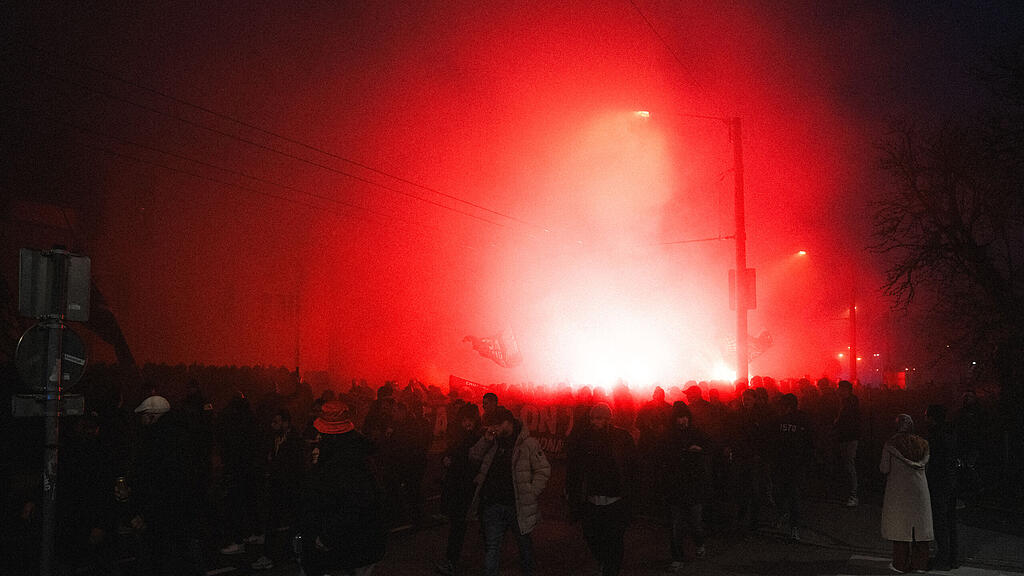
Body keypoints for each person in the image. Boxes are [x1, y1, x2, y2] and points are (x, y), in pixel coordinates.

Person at [298, 400, 385, 576]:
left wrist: (326, 537)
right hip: (355, 542)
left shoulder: (347, 461)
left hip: (354, 543)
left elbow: (355, 505)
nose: (319, 437)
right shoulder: (350, 452)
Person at [129, 395, 206, 575]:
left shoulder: (157, 441)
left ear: (152, 416)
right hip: (181, 511)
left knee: (162, 557)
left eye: (144, 416)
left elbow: (159, 482)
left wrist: (145, 513)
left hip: (163, 513)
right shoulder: (182, 435)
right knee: (183, 555)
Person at [470, 406, 551, 576]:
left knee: (524, 547)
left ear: (508, 423)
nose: (493, 429)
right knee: (493, 547)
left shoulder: (528, 444)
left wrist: (531, 492)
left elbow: (543, 470)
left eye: (496, 425)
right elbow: (473, 458)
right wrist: (485, 440)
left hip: (517, 505)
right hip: (492, 504)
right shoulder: (491, 442)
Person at [566, 403, 638, 576]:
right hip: (592, 499)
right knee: (592, 536)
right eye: (592, 418)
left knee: (614, 539)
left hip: (615, 500)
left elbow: (632, 466)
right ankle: (604, 563)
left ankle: (610, 570)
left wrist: (632, 494)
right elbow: (575, 467)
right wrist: (572, 492)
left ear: (607, 419)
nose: (594, 422)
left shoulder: (622, 437)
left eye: (598, 418)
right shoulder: (584, 438)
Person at [251, 409, 308, 571]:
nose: (273, 425)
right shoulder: (274, 439)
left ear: (286, 422)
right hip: (277, 487)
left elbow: (296, 466)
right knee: (273, 522)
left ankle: (291, 553)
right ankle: (272, 555)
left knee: (294, 522)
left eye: (276, 422)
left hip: (290, 488)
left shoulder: (295, 441)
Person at [660, 401, 712, 572]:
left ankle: (699, 543)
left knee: (695, 522)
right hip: (676, 486)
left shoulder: (697, 433)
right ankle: (677, 557)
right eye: (678, 418)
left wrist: (700, 451)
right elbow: (663, 459)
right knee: (676, 525)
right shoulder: (668, 436)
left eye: (684, 417)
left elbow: (711, 448)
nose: (681, 421)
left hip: (694, 486)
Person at [880, 414, 933, 574]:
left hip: (898, 489)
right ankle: (920, 564)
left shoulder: (890, 444)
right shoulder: (923, 444)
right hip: (919, 488)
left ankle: (900, 563)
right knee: (920, 526)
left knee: (901, 527)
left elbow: (884, 468)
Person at [435, 403, 482, 576]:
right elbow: (450, 452)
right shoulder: (462, 435)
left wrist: (452, 462)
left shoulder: (477, 437)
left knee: (460, 526)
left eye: (469, 420)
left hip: (466, 487)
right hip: (459, 487)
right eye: (464, 420)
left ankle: (452, 562)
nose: (466, 423)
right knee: (459, 525)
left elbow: (472, 462)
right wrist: (446, 459)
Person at [771, 393, 814, 540]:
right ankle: (785, 515)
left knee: (792, 494)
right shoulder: (779, 420)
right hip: (784, 463)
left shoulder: (802, 419)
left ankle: (794, 526)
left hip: (794, 464)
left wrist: (807, 460)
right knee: (780, 492)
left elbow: (810, 441)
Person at [926, 404, 959, 570]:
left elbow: (932, 459)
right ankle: (952, 557)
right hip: (951, 479)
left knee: (940, 521)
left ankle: (943, 558)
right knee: (950, 520)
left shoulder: (934, 435)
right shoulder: (951, 431)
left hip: (939, 480)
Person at [834, 380, 861, 507]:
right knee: (846, 465)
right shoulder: (845, 402)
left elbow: (846, 421)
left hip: (849, 438)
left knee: (849, 465)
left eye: (840, 388)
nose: (838, 390)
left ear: (846, 390)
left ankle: (853, 495)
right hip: (844, 437)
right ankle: (849, 493)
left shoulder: (851, 403)